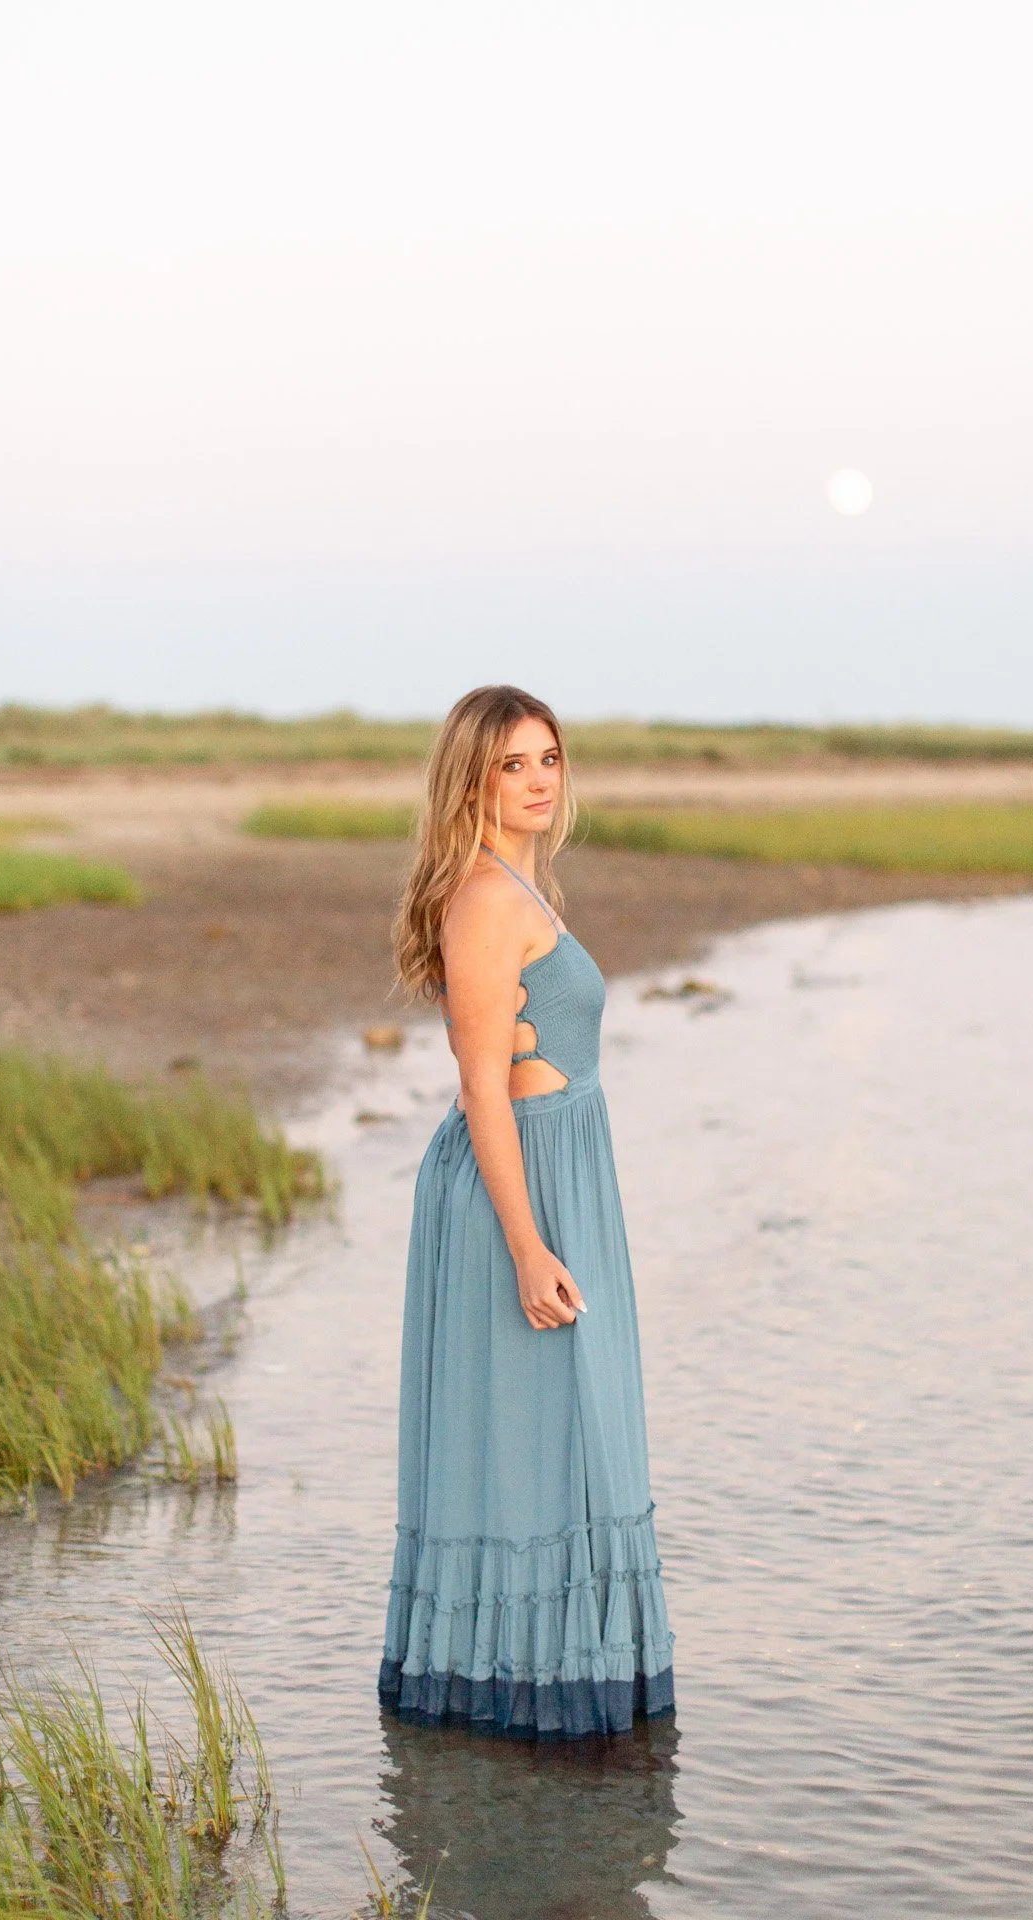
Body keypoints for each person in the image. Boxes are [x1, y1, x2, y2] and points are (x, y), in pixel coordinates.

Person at [379, 684, 674, 1737]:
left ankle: (551, 1683)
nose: (540, 779)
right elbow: (481, 1086)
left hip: (564, 1171)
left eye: (549, 757)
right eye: (513, 763)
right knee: (544, 1432)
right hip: (521, 1185)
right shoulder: (484, 899)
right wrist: (525, 1241)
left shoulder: (519, 884)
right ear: (473, 777)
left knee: (573, 1431)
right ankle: (513, 1688)